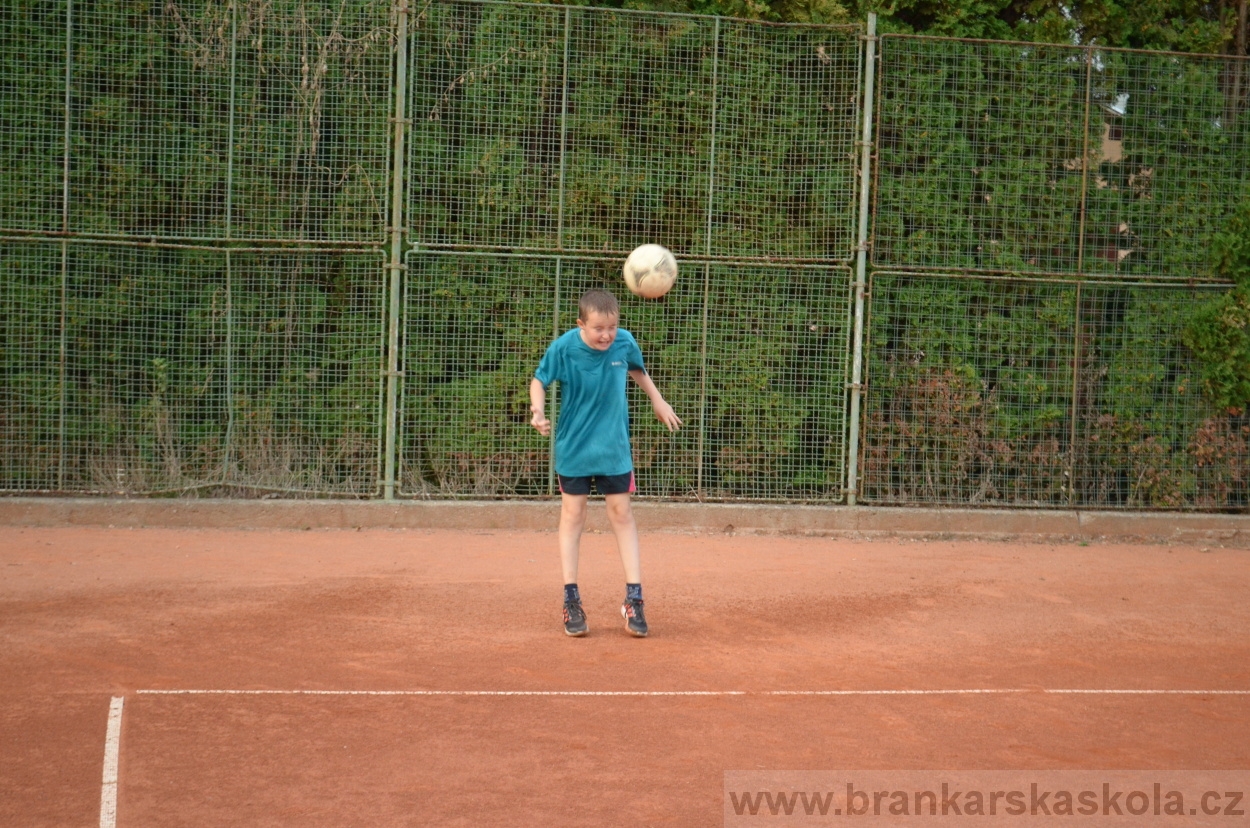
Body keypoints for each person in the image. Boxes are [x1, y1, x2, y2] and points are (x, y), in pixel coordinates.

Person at [529, 289, 682, 638]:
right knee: (573, 516)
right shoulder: (565, 348)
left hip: (614, 449)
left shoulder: (624, 343)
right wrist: (537, 411)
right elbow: (539, 380)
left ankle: (634, 600)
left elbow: (639, 372)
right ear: (581, 323)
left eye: (612, 326)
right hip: (575, 449)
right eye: (599, 327)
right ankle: (571, 601)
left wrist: (658, 402)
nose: (606, 335)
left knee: (621, 514)